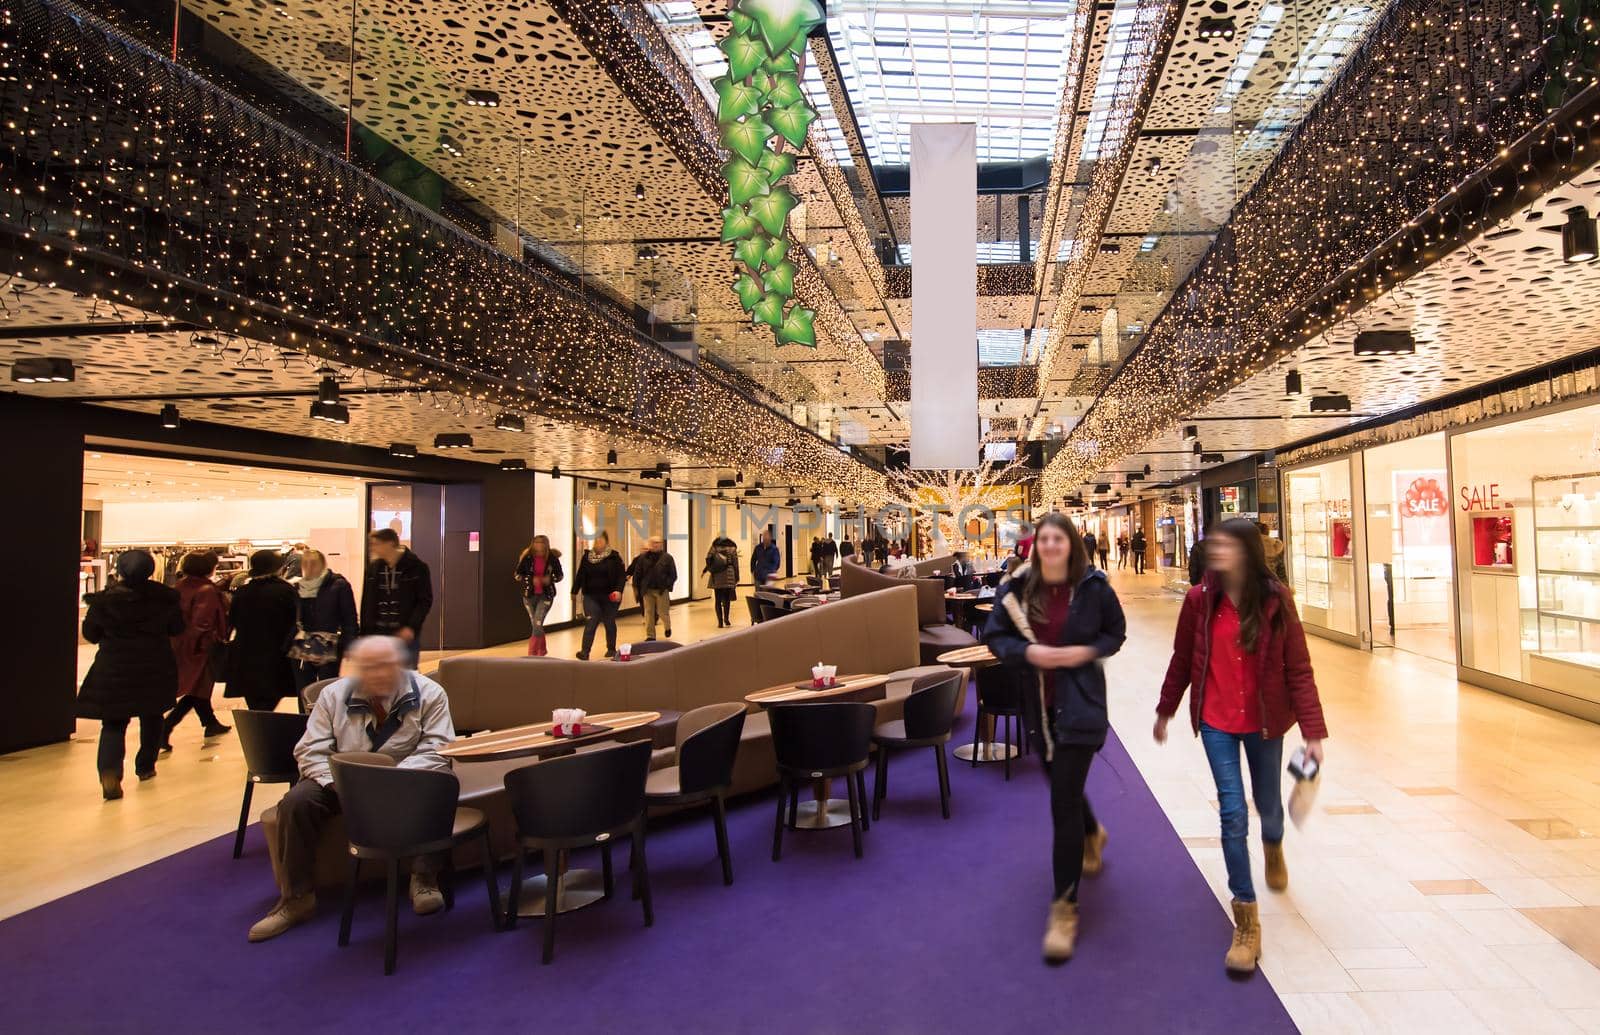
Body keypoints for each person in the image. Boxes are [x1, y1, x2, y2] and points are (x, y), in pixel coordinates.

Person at [1154, 517, 1328, 975]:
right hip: (1216, 720)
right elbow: (1182, 658)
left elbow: (1299, 668)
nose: (1217, 552)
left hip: (1266, 722)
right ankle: (1246, 920)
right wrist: (1166, 709)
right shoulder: (1198, 600)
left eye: (1227, 545)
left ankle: (1274, 842)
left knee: (1269, 803)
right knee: (1232, 810)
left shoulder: (1277, 600)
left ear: (1248, 551)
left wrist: (1313, 733)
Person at [983, 513, 1126, 965]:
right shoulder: (1019, 588)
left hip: (1081, 707)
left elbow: (1114, 633)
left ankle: (1064, 908)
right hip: (1039, 711)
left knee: (1061, 799)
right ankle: (1092, 831)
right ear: (1034, 545)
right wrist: (1027, 652)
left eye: (1057, 539)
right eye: (1042, 539)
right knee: (1059, 782)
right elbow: (995, 635)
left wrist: (1085, 651)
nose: (1049, 546)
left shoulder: (1094, 587)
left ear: (1070, 544)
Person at [248, 636, 455, 942]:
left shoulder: (429, 693)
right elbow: (311, 750)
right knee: (297, 801)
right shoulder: (333, 697)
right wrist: (337, 783)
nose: (378, 674)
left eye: (385, 666)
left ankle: (424, 877)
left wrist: (392, 777)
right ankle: (296, 898)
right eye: (369, 667)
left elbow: (437, 747)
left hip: (407, 776)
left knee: (441, 781)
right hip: (343, 780)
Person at [78, 550, 185, 800]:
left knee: (113, 722)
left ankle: (110, 770)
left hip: (114, 665)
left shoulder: (104, 601)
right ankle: (146, 766)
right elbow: (177, 628)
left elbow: (91, 633)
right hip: (154, 663)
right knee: (152, 715)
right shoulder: (166, 598)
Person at [164, 550, 231, 747]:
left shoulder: (180, 586)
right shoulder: (206, 590)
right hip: (199, 648)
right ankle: (166, 726)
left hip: (179, 643)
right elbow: (203, 623)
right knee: (197, 689)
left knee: (198, 688)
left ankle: (210, 722)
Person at [225, 550, 299, 711]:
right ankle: (262, 731)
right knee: (270, 699)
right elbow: (296, 621)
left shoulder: (243, 592)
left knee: (255, 701)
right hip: (276, 653)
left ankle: (258, 730)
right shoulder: (286, 591)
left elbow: (233, 621)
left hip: (246, 653)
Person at [288, 549, 358, 692]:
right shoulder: (297, 587)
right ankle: (305, 715)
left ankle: (327, 714)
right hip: (302, 644)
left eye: (313, 563)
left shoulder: (338, 585)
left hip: (329, 642)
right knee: (304, 690)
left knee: (327, 688)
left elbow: (349, 617)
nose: (309, 567)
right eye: (305, 563)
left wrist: (349, 644)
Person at [361, 529, 433, 665]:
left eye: (376, 544)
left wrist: (411, 626)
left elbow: (424, 601)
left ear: (390, 544)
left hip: (403, 634)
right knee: (380, 675)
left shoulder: (417, 567)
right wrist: (365, 633)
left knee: (406, 676)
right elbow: (367, 602)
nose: (372, 548)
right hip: (378, 634)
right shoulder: (373, 569)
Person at [572, 531, 625, 659]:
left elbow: (621, 576)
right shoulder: (587, 557)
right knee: (591, 621)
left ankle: (611, 649)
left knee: (609, 621)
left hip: (610, 596)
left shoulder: (614, 557)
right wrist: (574, 591)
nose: (598, 542)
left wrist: (618, 590)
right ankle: (585, 652)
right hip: (591, 595)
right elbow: (580, 574)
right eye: (596, 540)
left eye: (601, 539)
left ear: (607, 541)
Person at [514, 534, 563, 656]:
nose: (539, 545)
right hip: (529, 596)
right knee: (535, 624)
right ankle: (542, 650)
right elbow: (517, 575)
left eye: (541, 543)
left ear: (546, 545)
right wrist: (531, 579)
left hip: (545, 596)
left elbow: (560, 576)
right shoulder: (527, 557)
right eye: (536, 542)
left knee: (537, 623)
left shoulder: (552, 559)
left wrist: (550, 579)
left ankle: (532, 652)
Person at [627, 535, 677, 641]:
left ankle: (667, 627)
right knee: (648, 612)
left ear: (661, 545)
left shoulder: (667, 558)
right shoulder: (642, 558)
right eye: (653, 542)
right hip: (647, 590)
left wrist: (667, 585)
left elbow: (673, 574)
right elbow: (638, 573)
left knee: (662, 612)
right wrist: (636, 586)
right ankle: (650, 635)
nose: (656, 545)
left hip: (661, 589)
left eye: (658, 542)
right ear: (650, 544)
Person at [704, 535, 740, 628]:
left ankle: (720, 622)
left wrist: (711, 569)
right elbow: (735, 563)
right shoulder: (732, 547)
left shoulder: (714, 547)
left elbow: (708, 559)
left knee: (717, 600)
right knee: (727, 599)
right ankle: (726, 619)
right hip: (729, 574)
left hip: (717, 575)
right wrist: (736, 576)